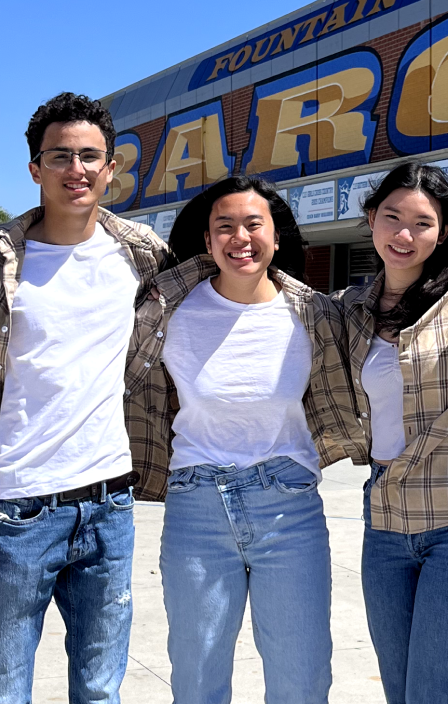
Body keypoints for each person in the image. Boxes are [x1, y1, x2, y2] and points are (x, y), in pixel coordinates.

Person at [0, 92, 171, 703]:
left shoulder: (142, 255)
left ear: (111, 168)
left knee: (101, 690)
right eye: (60, 156)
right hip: (15, 513)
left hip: (111, 505)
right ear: (35, 168)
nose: (76, 169)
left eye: (90, 156)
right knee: (4, 690)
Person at [126, 176, 362, 703]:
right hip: (196, 507)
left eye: (254, 224)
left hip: (289, 508)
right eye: (224, 227)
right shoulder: (165, 311)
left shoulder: (314, 314)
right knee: (198, 675)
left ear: (276, 237)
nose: (241, 237)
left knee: (301, 676)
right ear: (207, 243)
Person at [331, 162, 448, 704]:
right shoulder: (348, 309)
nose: (404, 235)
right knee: (399, 689)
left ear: (444, 232)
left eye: (423, 223)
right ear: (370, 220)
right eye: (392, 217)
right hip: (383, 519)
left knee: (431, 691)